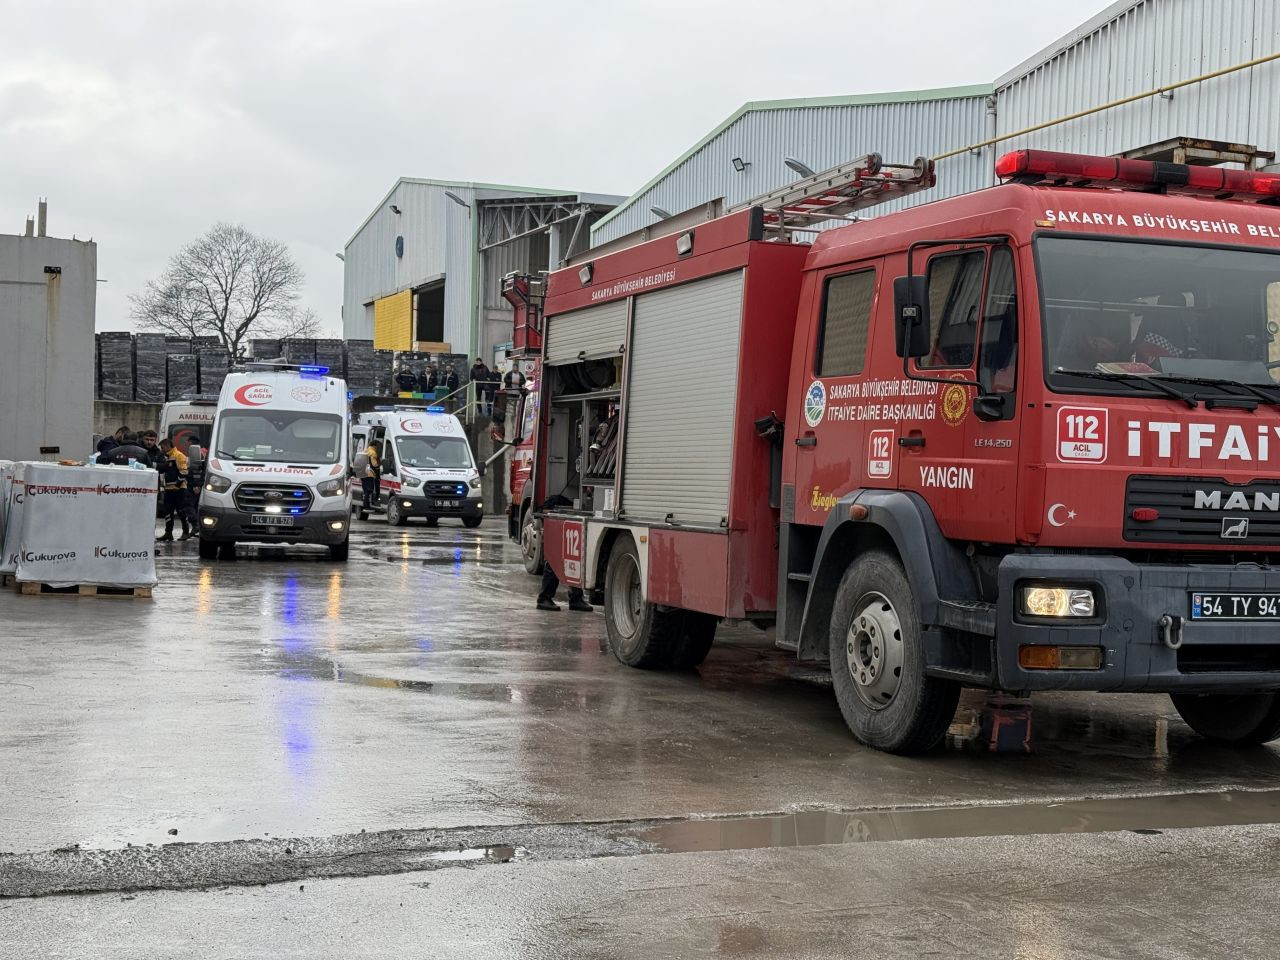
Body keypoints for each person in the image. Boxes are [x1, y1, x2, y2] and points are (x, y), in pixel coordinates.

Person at [535, 494, 592, 612]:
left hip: (561, 510)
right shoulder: (558, 501)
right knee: (556, 558)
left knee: (574, 557)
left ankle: (575, 598)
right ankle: (544, 598)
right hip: (557, 512)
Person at [156, 438, 194, 541]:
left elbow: (184, 471)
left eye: (162, 447)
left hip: (179, 490)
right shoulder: (167, 457)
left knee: (181, 512)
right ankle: (168, 533)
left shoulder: (178, 455)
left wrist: (178, 484)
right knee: (168, 512)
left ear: (167, 445)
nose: (161, 449)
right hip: (168, 489)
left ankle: (185, 532)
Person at [362, 438, 381, 511]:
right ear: (375, 445)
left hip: (364, 473)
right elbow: (374, 464)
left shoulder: (366, 450)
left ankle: (365, 504)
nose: (379, 448)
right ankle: (367, 506)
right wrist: (379, 468)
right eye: (378, 446)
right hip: (370, 474)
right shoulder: (373, 452)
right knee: (370, 490)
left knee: (365, 490)